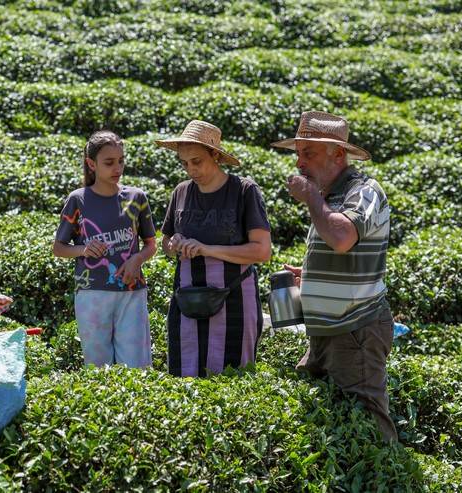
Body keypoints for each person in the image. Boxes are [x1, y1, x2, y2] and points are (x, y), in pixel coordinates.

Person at [271, 110, 397, 442]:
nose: (299, 162)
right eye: (297, 153)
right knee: (316, 408)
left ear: (338, 154)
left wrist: (311, 197)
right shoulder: (329, 197)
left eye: (308, 153)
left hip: (355, 330)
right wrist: (310, 276)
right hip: (326, 329)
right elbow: (341, 249)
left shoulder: (364, 190)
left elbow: (342, 238)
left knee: (370, 426)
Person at [157, 120, 272, 377]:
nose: (190, 169)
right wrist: (174, 245)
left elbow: (262, 251)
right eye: (184, 163)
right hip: (187, 297)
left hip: (234, 298)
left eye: (196, 161)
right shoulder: (181, 192)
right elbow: (165, 243)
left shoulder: (243, 191)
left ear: (216, 155)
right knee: (184, 375)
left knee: (232, 376)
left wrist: (207, 249)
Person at [53, 130, 157, 368]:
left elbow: (151, 245)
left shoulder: (136, 197)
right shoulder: (78, 200)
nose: (117, 168)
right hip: (92, 293)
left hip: (132, 291)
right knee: (98, 367)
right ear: (92, 164)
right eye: (109, 162)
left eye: (121, 161)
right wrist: (83, 249)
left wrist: (137, 260)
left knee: (136, 367)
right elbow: (58, 248)